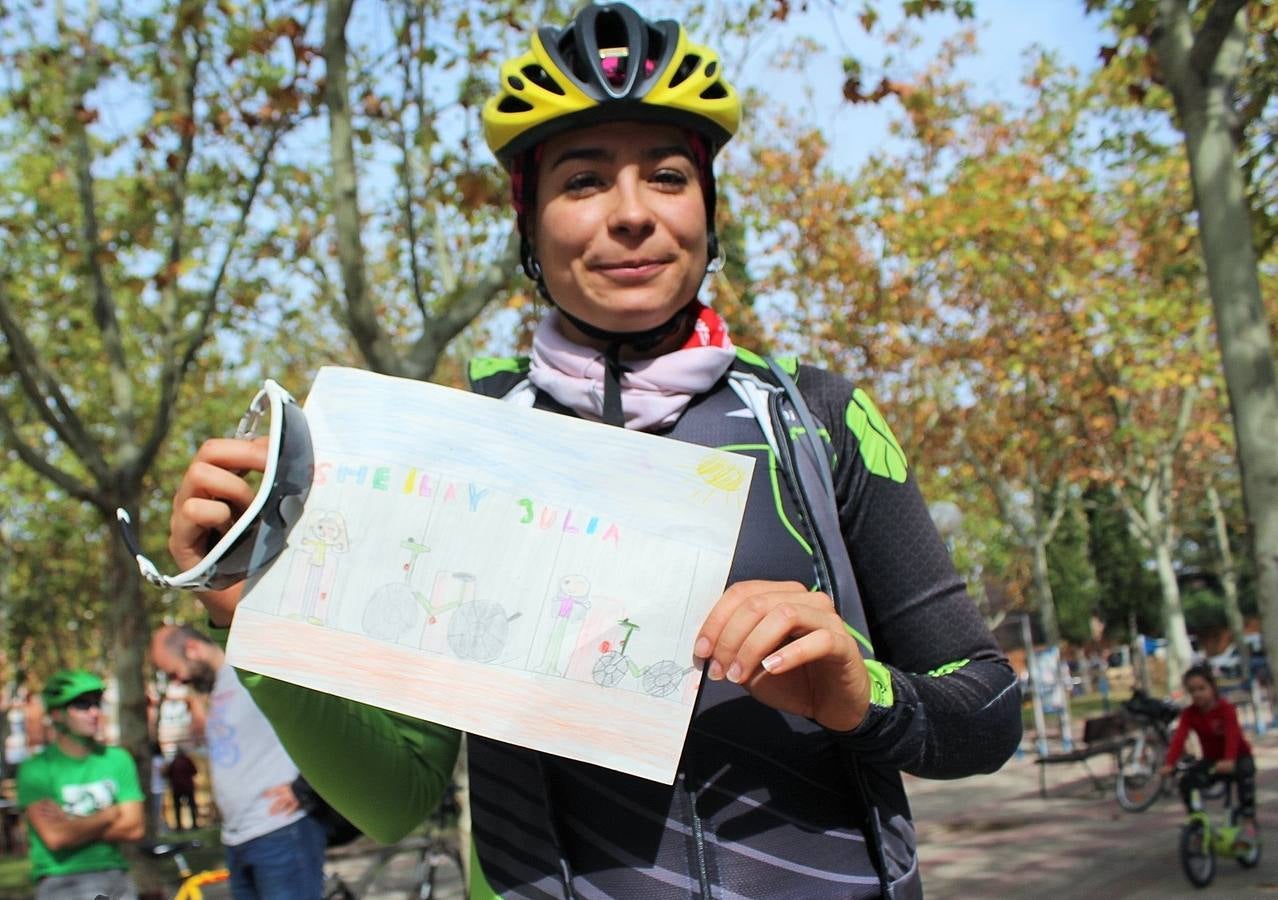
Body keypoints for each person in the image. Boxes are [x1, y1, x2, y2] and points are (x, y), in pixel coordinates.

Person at [159, 4, 1022, 896]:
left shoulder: (816, 418)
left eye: (668, 175)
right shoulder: (458, 450)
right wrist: (248, 612)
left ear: (709, 205)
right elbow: (395, 799)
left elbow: (988, 708)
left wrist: (864, 691)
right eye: (582, 182)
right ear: (527, 218)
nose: (633, 215)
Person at [149, 625, 326, 899]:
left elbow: (317, 718)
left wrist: (304, 788)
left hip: (279, 829)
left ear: (192, 650)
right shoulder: (220, 686)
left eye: (174, 671)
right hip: (237, 838)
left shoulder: (251, 671)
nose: (179, 680)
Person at [16, 669, 144, 900]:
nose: (94, 712)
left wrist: (72, 823)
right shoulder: (36, 769)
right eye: (82, 705)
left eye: (97, 703)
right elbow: (56, 838)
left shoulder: (118, 759)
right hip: (62, 881)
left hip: (117, 877)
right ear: (57, 714)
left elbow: (134, 828)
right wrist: (111, 813)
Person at [1159, 665, 1258, 834]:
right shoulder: (1190, 714)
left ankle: (1248, 820)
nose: (1197, 694)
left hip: (1237, 756)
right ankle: (1196, 822)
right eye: (1192, 690)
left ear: (1212, 687)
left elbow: (1232, 735)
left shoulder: (1225, 709)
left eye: (1201, 688)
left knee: (1246, 773)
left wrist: (1229, 760)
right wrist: (1169, 763)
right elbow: (1179, 738)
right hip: (1211, 760)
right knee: (1187, 781)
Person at [165, 746, 200, 831]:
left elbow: (168, 774)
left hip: (177, 787)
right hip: (187, 786)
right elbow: (194, 771)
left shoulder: (174, 762)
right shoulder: (187, 760)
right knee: (192, 806)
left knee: (178, 807)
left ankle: (179, 826)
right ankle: (194, 824)